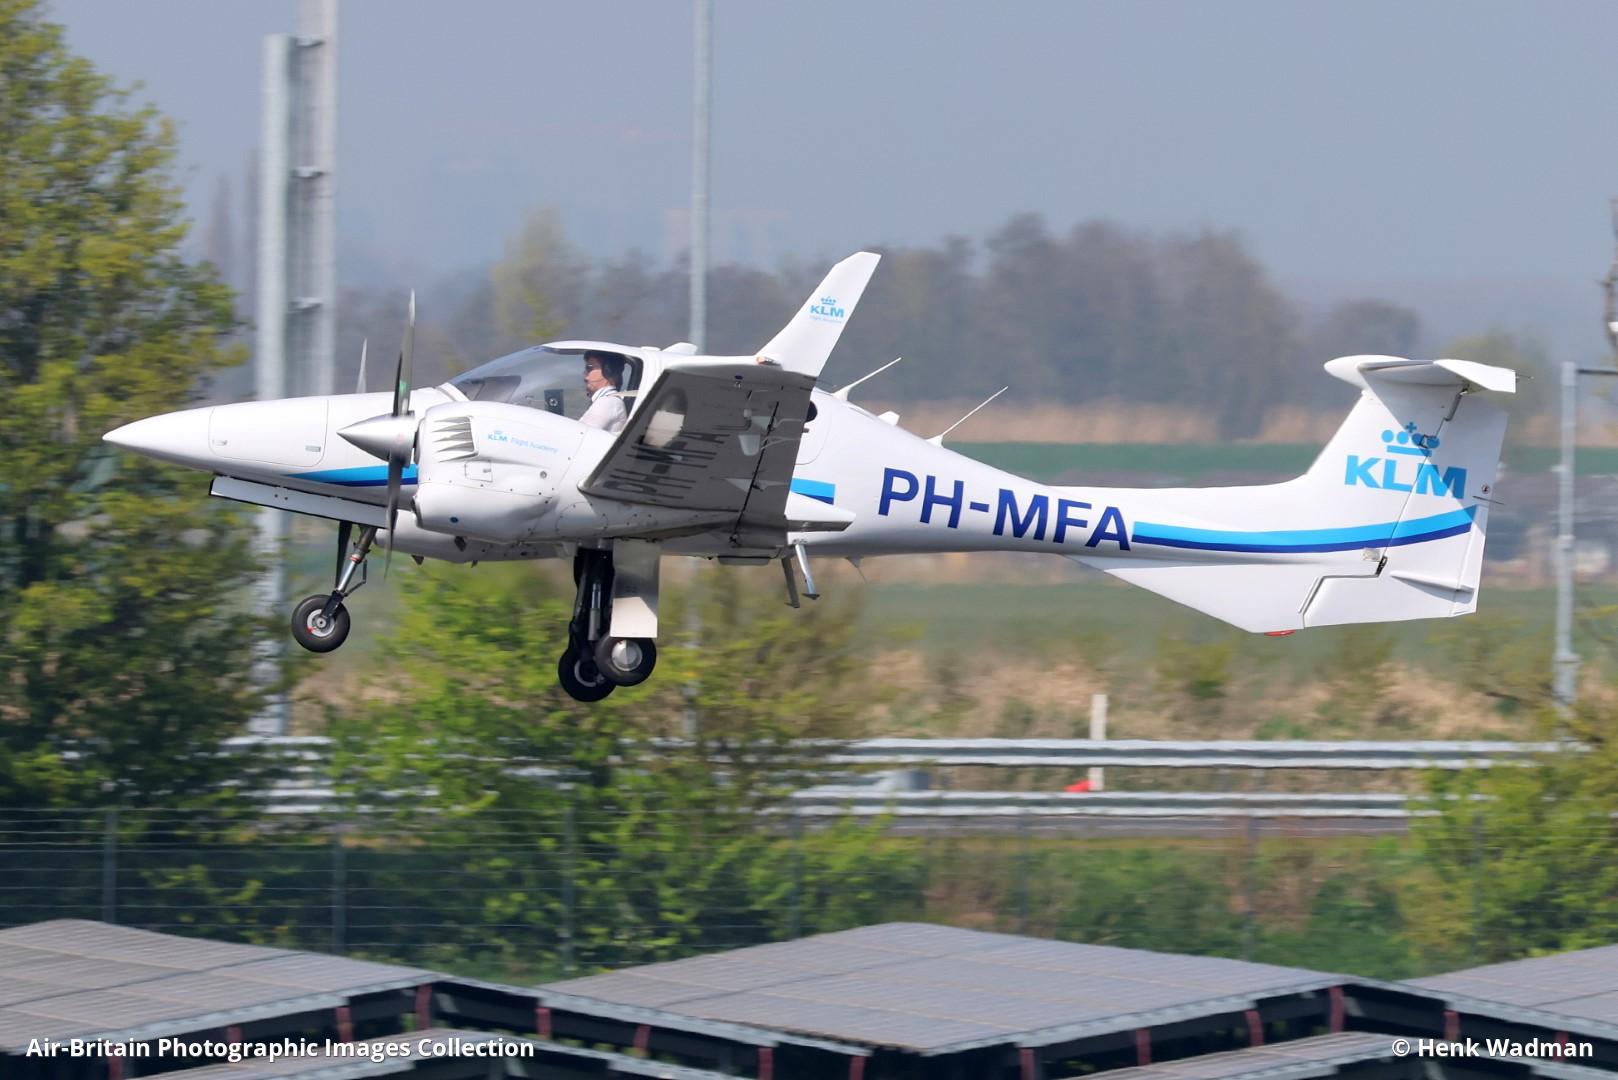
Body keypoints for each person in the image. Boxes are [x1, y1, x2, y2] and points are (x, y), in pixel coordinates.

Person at [579, 351, 628, 433]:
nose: (585, 374)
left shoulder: (608, 402)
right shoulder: (608, 400)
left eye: (589, 368)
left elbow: (581, 435)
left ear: (608, 371)